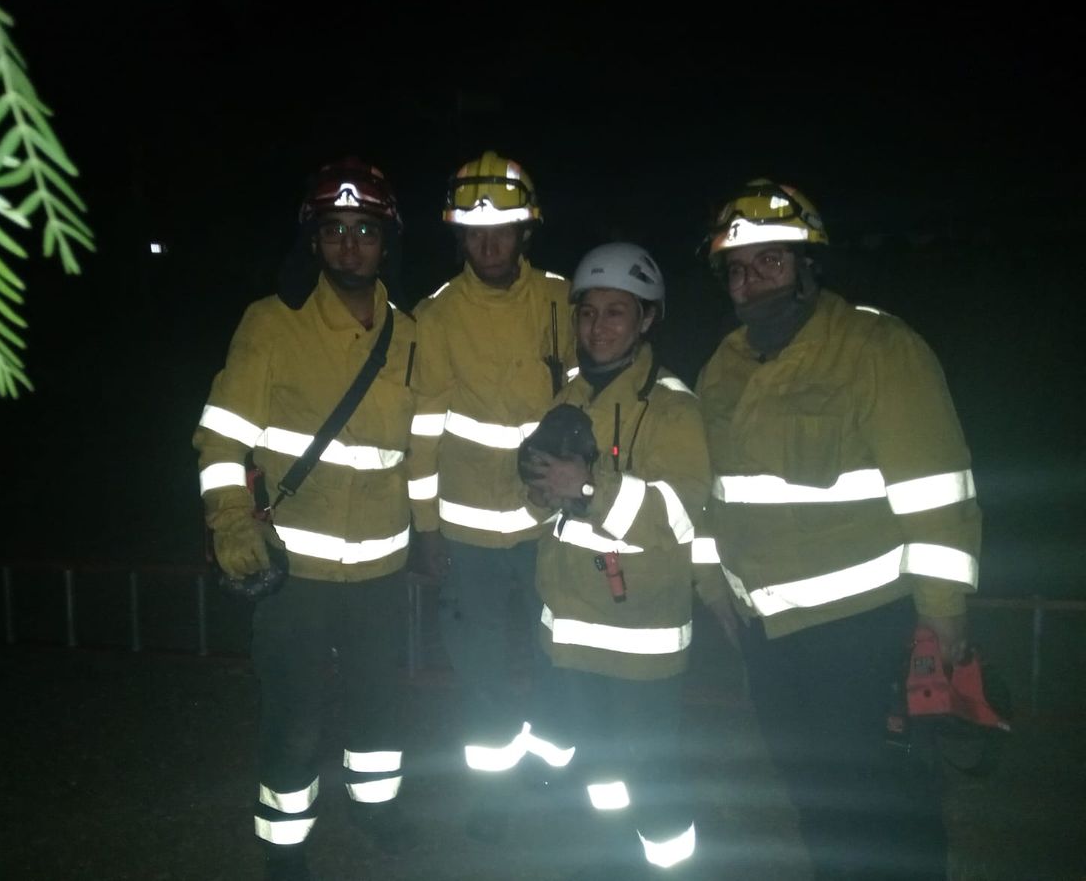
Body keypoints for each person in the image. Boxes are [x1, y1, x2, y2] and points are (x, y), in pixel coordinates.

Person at [693, 178, 981, 879]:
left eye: (770, 261)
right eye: (737, 267)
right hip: (768, 638)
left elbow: (938, 493)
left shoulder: (876, 348)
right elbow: (711, 496)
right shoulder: (722, 370)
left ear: (807, 266)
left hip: (861, 634)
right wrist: (712, 584)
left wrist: (942, 618)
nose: (751, 280)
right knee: (812, 801)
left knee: (887, 807)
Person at [192, 157, 420, 881]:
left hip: (382, 571)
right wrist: (231, 523)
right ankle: (284, 844)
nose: (350, 244)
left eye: (364, 230)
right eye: (335, 230)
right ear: (313, 240)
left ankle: (375, 808)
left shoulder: (410, 333)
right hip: (294, 573)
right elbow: (221, 435)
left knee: (379, 708)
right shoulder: (271, 322)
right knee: (294, 718)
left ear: (388, 241)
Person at [519, 242, 720, 879]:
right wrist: (539, 492)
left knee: (652, 774)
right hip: (571, 631)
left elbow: (683, 514)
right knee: (602, 770)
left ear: (646, 320)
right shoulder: (568, 398)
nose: (597, 327)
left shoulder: (672, 408)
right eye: (587, 313)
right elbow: (549, 510)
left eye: (615, 313)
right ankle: (611, 862)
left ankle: (671, 868)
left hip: (642, 640)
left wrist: (587, 488)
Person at [409, 150, 577, 842]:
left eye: (502, 230)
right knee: (478, 673)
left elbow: (585, 399)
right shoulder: (436, 315)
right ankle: (493, 793)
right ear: (458, 237)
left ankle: (557, 773)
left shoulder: (561, 300)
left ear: (524, 233)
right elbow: (422, 429)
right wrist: (426, 528)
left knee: (558, 653)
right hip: (469, 535)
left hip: (550, 525)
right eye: (475, 233)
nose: (488, 243)